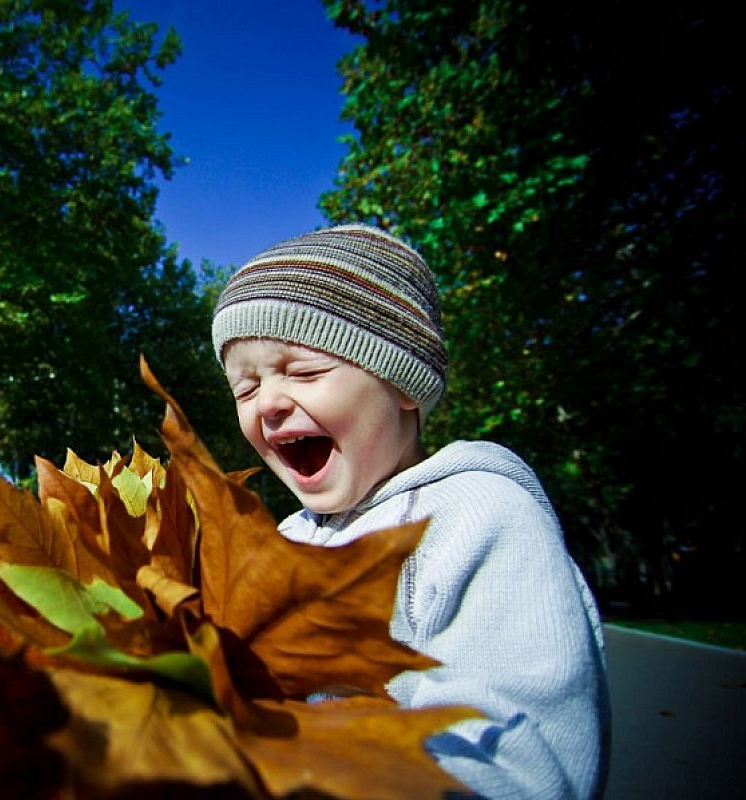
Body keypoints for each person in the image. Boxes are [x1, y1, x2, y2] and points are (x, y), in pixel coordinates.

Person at [210, 223, 609, 799]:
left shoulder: (476, 514)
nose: (267, 402)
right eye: (243, 391)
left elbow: (521, 761)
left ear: (403, 384)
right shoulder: (283, 539)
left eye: (304, 372)